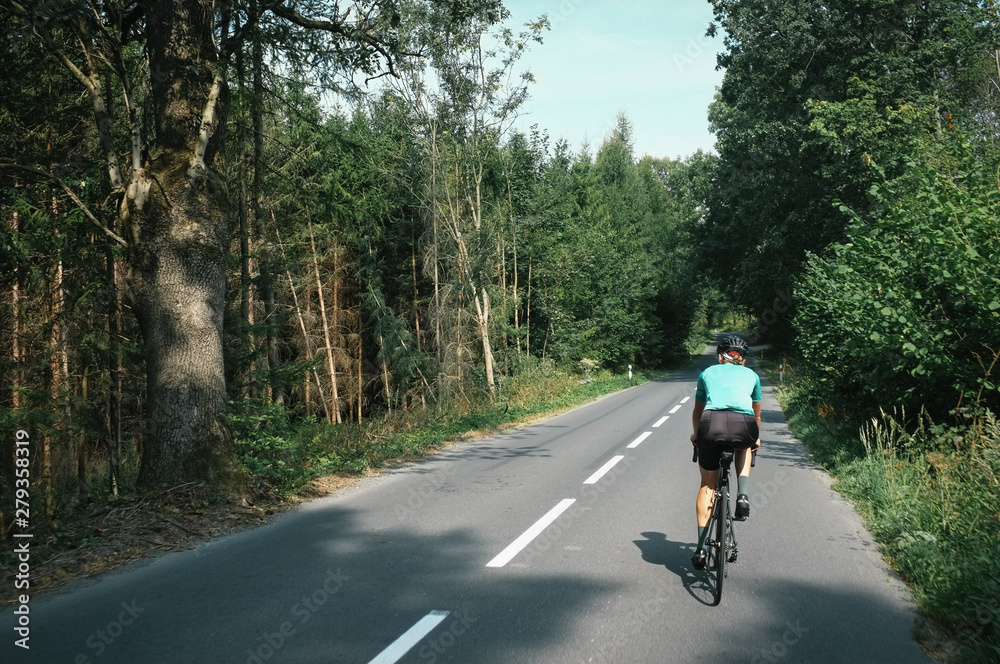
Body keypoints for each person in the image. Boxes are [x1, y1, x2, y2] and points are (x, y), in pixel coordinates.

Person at [689, 335, 762, 570]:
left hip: (712, 425)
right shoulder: (752, 376)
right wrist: (756, 437)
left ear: (720, 356)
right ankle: (742, 495)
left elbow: (698, 413)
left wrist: (695, 435)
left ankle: (700, 549)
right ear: (742, 360)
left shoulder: (707, 373)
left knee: (707, 485)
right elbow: (756, 415)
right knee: (746, 444)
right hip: (744, 423)